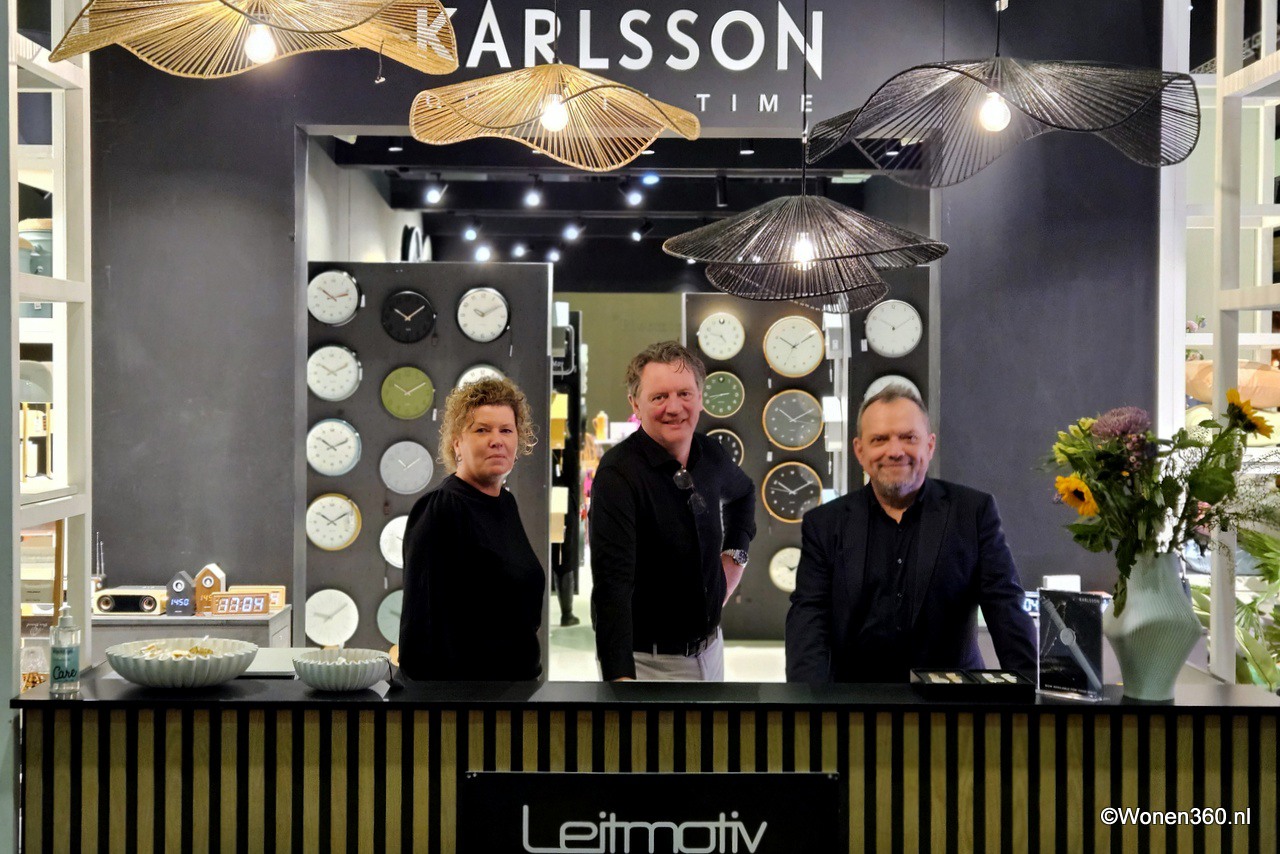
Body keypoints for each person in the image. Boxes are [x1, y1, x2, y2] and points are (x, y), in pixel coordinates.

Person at [785, 384, 1036, 683]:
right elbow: (809, 620)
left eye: (908, 438)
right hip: (856, 702)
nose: (895, 451)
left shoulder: (973, 513)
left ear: (929, 446)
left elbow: (1005, 607)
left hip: (953, 701)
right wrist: (807, 702)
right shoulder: (824, 524)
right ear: (860, 451)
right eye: (880, 439)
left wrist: (1032, 695)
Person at [590, 341, 756, 681]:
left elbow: (744, 493)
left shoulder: (710, 454)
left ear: (700, 398)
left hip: (711, 652)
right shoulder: (618, 475)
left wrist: (735, 557)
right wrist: (620, 681)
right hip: (649, 666)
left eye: (684, 394)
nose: (674, 407)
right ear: (635, 404)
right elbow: (612, 587)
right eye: (659, 397)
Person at [399, 378, 544, 681]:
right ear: (457, 443)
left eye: (506, 430)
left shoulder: (505, 503)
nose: (496, 440)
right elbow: (421, 630)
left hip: (518, 687)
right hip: (468, 699)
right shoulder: (441, 508)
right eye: (482, 430)